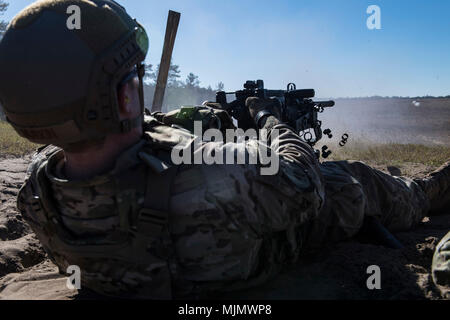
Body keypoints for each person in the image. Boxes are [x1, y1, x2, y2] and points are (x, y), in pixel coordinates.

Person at [0, 0, 448, 299]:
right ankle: (430, 190)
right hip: (278, 238)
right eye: (133, 76)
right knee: (351, 179)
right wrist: (268, 118)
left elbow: (135, 136)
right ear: (121, 98)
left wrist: (202, 117)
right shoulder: (215, 176)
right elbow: (303, 175)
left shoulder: (38, 191)